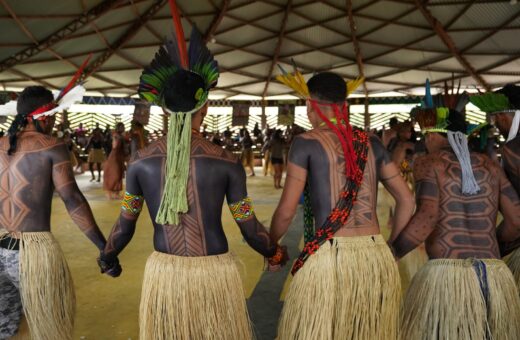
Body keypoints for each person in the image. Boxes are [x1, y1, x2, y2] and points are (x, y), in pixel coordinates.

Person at [99, 21, 287, 340]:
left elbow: (124, 225)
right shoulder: (225, 162)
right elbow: (249, 226)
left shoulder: (141, 163)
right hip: (215, 271)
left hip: (166, 272)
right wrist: (274, 254)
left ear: (166, 109)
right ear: (205, 106)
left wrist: (107, 257)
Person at [270, 71, 414, 339]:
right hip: (374, 256)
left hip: (328, 255)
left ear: (310, 105)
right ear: (344, 106)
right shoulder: (371, 143)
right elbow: (406, 199)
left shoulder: (305, 143)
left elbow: (287, 210)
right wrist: (392, 250)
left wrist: (270, 246)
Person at [392, 106, 520, 339]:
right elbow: (516, 220)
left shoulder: (428, 162)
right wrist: (492, 250)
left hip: (447, 276)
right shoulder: (491, 166)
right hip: (493, 276)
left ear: (431, 135)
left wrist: (392, 253)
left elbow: (427, 217)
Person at [0, 85, 116, 339]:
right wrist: (104, 248)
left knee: (4, 328)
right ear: (48, 116)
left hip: (1, 246)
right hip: (31, 254)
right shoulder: (52, 146)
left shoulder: (0, 144)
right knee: (50, 327)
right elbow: (72, 199)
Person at [471, 84, 520, 289]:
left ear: (502, 116)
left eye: (496, 118)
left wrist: (492, 249)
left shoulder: (512, 149)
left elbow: (517, 219)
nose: (496, 124)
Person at [103, 122, 126, 199]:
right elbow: (114, 146)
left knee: (119, 174)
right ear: (118, 128)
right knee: (114, 174)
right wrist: (118, 139)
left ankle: (116, 193)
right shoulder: (116, 136)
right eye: (122, 127)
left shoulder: (120, 136)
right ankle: (109, 191)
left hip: (120, 156)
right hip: (114, 157)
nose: (123, 128)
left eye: (123, 126)